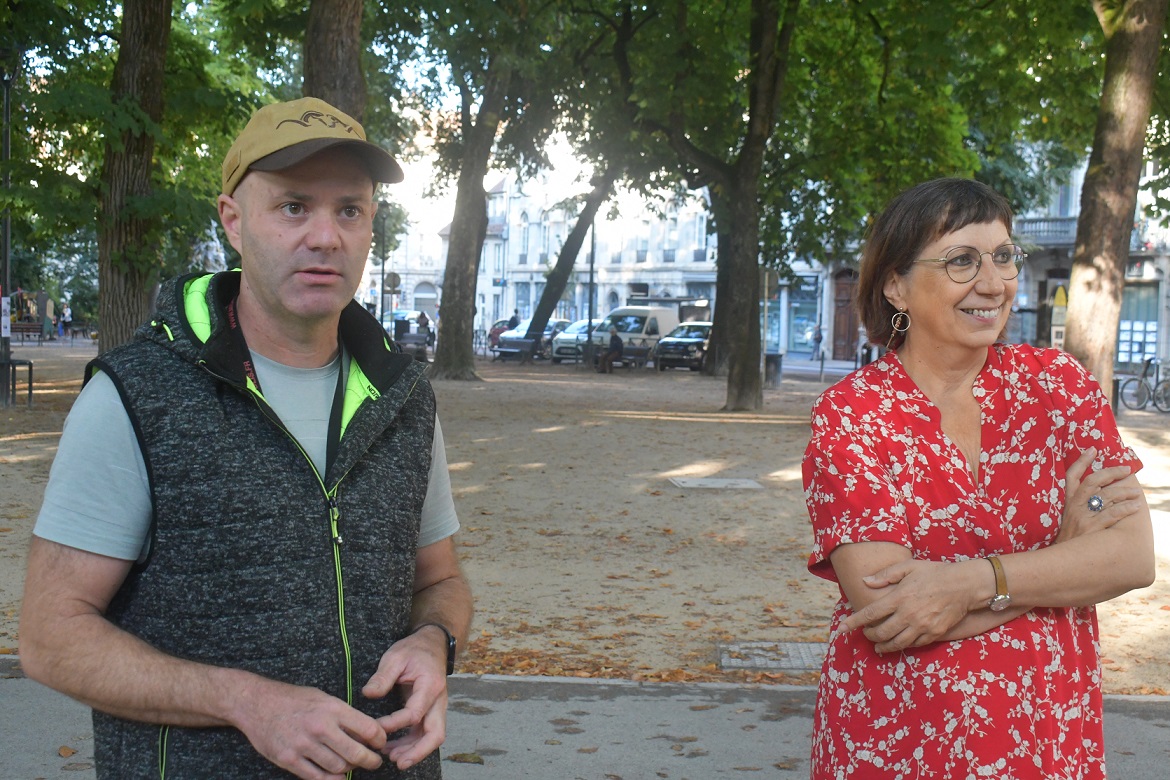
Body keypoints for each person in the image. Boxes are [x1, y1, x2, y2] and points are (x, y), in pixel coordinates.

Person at [20, 97, 473, 779]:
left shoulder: (402, 396)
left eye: (349, 210)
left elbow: (440, 580)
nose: (325, 235)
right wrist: (245, 702)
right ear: (233, 221)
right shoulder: (138, 395)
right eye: (293, 207)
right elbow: (50, 638)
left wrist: (433, 641)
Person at [802, 178, 1154, 779]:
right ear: (895, 285)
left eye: (1003, 256)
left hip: (1045, 732)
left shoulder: (1059, 388)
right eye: (962, 260)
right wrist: (1063, 558)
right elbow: (889, 614)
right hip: (896, 737)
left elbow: (1130, 558)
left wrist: (966, 585)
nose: (993, 283)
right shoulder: (853, 414)